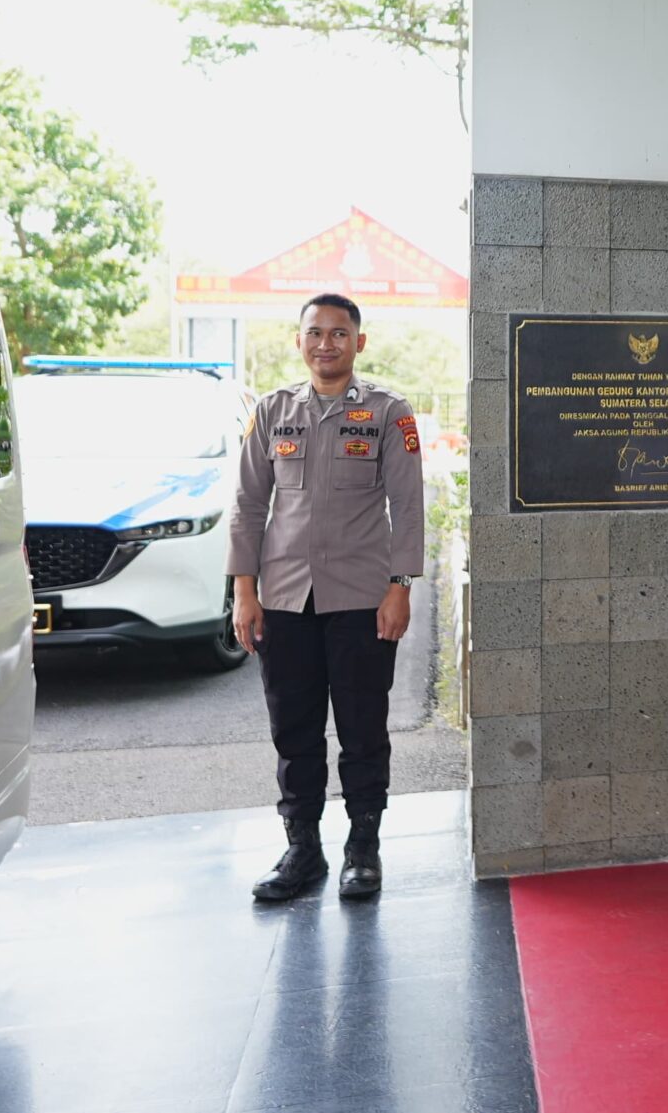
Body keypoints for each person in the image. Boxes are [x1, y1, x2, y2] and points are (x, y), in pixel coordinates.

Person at [230, 294, 426, 903]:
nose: (326, 344)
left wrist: (400, 587)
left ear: (358, 343)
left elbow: (408, 506)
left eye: (339, 333)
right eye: (314, 332)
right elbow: (248, 505)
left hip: (362, 600)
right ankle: (303, 849)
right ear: (299, 341)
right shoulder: (271, 411)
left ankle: (362, 848)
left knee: (363, 729)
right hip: (285, 600)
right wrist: (244, 590)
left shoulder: (389, 413)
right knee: (294, 730)